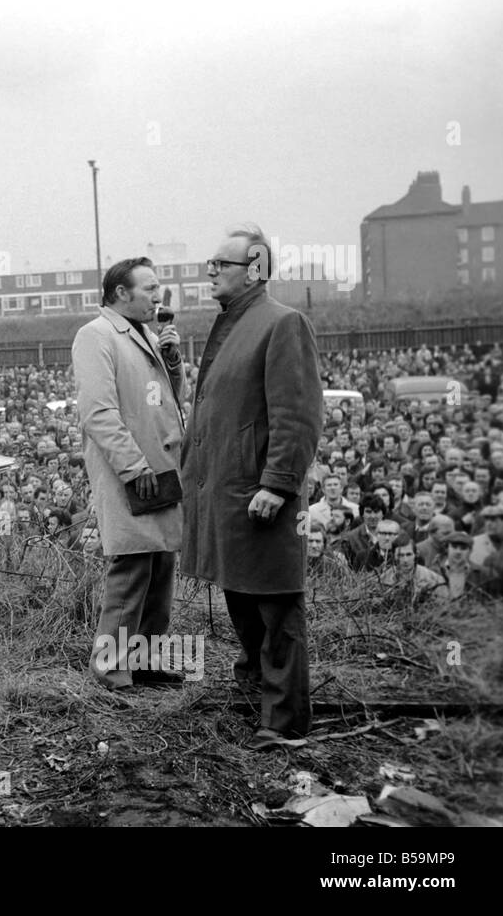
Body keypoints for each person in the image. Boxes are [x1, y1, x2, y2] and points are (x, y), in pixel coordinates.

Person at [180, 224, 323, 749]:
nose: (211, 271)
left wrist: (279, 484)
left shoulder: (282, 323)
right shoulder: (234, 323)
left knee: (277, 609)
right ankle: (256, 697)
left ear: (255, 269)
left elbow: (298, 415)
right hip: (230, 495)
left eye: (222, 263)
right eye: (212, 263)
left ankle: (284, 724)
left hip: (261, 496)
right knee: (243, 598)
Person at [71, 256, 186, 691]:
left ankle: (146, 662)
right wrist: (133, 465)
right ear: (121, 293)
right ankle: (110, 669)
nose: (158, 296)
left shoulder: (148, 336)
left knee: (160, 567)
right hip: (133, 471)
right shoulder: (96, 336)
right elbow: (98, 412)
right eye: (150, 288)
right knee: (132, 567)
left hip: (161, 467)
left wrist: (172, 360)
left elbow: (171, 400)